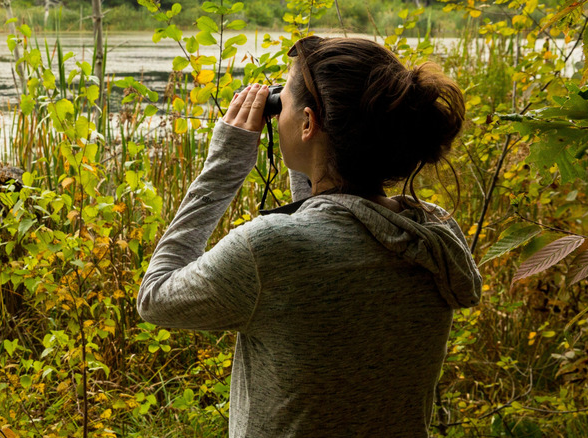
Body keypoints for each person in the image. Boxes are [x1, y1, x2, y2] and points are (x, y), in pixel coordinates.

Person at [137, 36, 482, 437]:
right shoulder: (432, 233)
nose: (275, 111)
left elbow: (155, 298)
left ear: (307, 123)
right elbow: (333, 218)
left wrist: (224, 164)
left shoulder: (269, 250)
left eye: (280, 103)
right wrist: (313, 156)